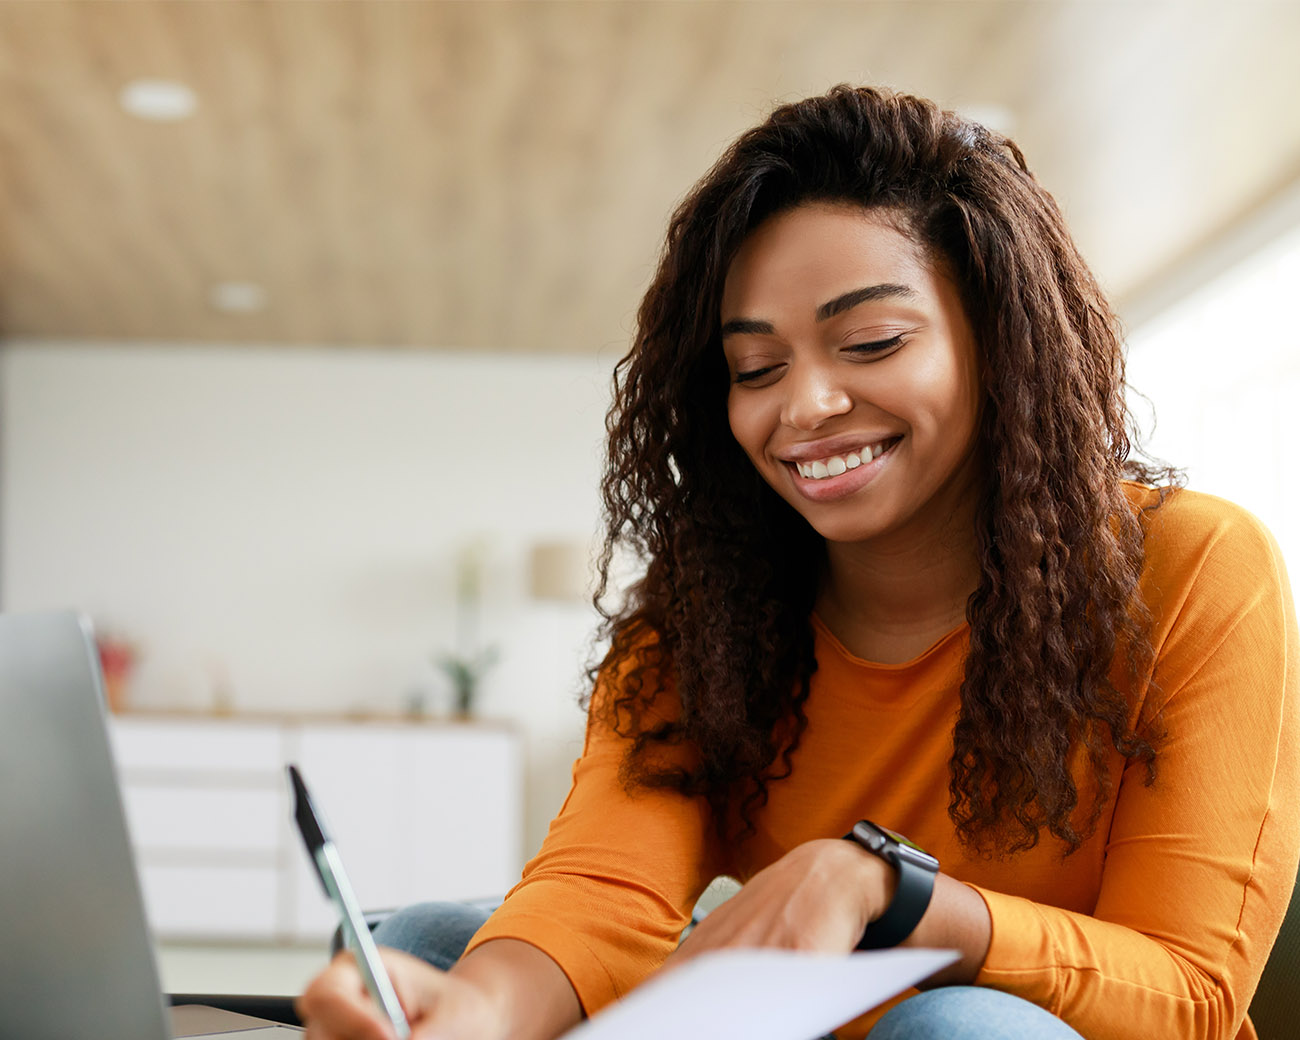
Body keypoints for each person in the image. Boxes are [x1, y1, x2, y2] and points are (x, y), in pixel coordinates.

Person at [297, 86, 1299, 1040]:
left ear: (998, 341)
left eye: (869, 340)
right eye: (756, 367)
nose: (803, 407)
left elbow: (1191, 994)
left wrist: (890, 891)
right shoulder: (708, 609)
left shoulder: (1193, 565)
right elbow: (604, 885)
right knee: (430, 945)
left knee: (958, 1024)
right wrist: (473, 1012)